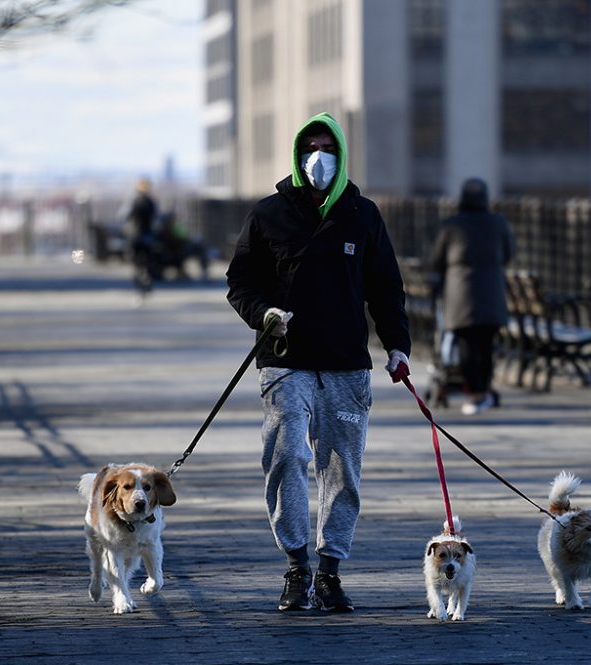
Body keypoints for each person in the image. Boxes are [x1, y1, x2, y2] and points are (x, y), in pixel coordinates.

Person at [226, 112, 411, 613]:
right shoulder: (268, 215)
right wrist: (264, 314)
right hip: (286, 361)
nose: (318, 156)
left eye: (327, 146)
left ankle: (330, 571)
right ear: (296, 154)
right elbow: (239, 282)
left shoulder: (363, 214)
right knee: (286, 457)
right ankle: (296, 567)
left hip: (348, 365)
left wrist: (398, 347)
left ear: (341, 154)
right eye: (309, 146)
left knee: (341, 469)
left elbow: (386, 288)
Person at [429, 177, 515, 415]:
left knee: (466, 344)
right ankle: (484, 391)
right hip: (491, 292)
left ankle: (474, 393)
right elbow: (509, 253)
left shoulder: (452, 225)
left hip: (460, 293)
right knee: (486, 344)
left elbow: (437, 260)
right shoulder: (498, 223)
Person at [124, 178, 159, 303]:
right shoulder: (150, 202)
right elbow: (156, 218)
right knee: (147, 263)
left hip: (135, 236)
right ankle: (147, 283)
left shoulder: (133, 201)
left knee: (136, 264)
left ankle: (139, 288)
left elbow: (124, 215)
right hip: (148, 236)